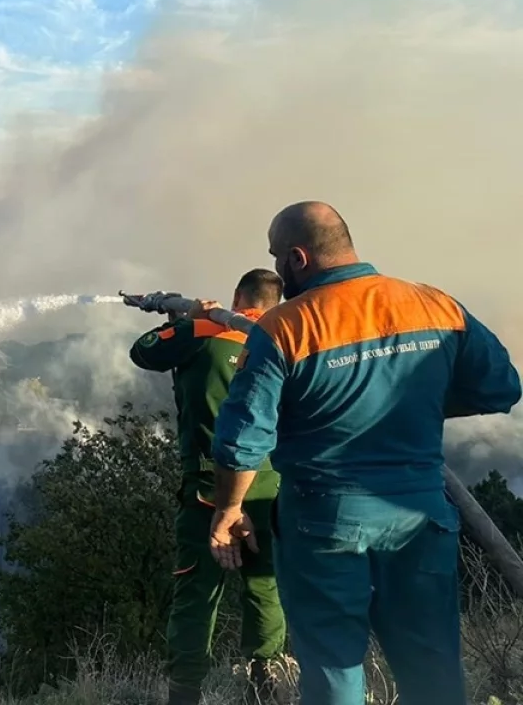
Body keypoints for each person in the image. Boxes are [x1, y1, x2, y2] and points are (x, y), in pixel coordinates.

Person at [206, 201, 522, 705]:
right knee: (432, 665)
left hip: (323, 520)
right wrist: (409, 406)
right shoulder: (437, 305)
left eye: (276, 257)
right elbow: (502, 387)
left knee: (333, 669)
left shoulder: (285, 327)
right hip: (421, 515)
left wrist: (227, 511)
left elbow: (241, 441)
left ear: (297, 258)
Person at [129, 269, 289, 705]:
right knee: (264, 586)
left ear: (238, 297)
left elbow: (143, 353)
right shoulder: (286, 341)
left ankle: (185, 692)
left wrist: (187, 318)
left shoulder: (206, 330)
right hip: (270, 485)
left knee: (196, 593)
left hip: (207, 487)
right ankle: (265, 683)